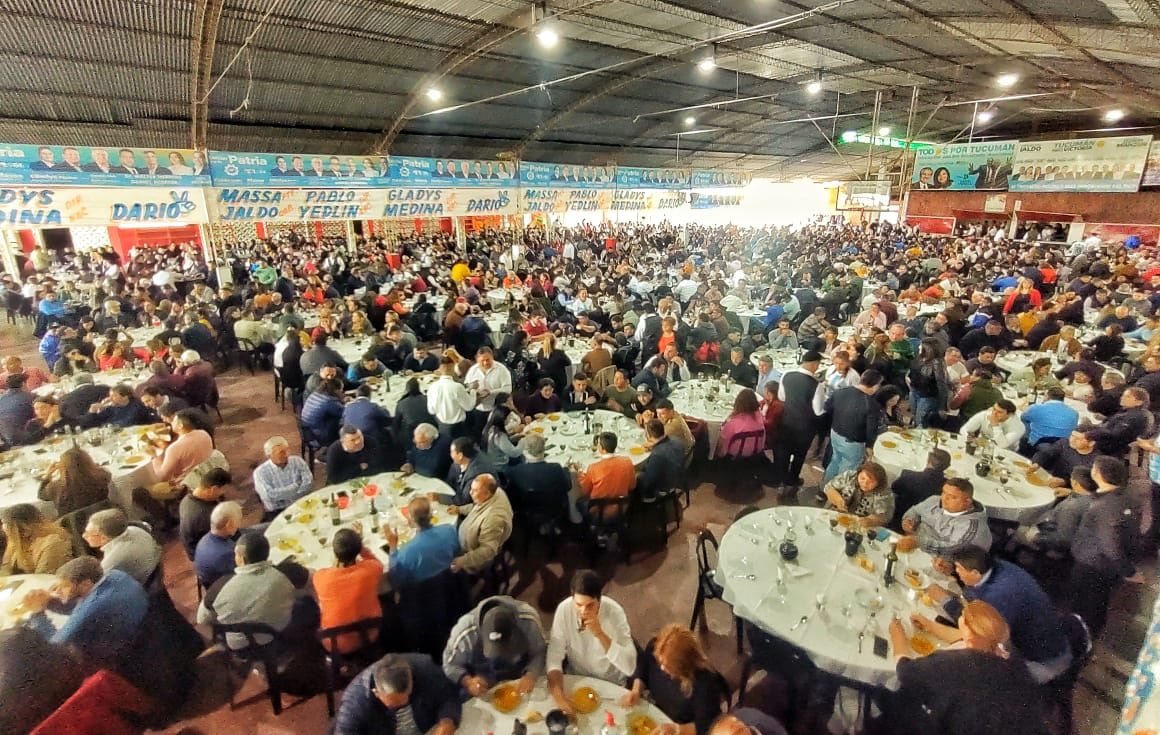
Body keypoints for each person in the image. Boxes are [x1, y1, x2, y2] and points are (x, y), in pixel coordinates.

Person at [886, 600, 1050, 735]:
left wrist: (898, 636)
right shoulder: (1005, 652)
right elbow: (965, 638)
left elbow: (906, 671)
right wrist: (930, 625)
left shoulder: (958, 664)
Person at [916, 547, 1072, 682]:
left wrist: (945, 600)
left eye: (958, 568)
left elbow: (977, 630)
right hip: (1045, 639)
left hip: (1039, 661)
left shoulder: (999, 595)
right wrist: (954, 574)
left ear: (975, 572)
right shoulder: (997, 567)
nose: (956, 571)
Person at [21, 557, 149, 669]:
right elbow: (81, 605)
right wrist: (50, 602)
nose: (58, 591)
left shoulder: (93, 608)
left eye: (65, 586)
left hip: (117, 661)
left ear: (85, 584)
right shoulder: (115, 576)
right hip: (143, 638)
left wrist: (37, 614)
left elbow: (55, 645)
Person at [547, 570, 638, 714]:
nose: (583, 611)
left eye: (590, 605)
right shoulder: (564, 610)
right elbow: (554, 655)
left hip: (610, 685)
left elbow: (629, 667)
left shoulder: (615, 613)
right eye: (578, 605)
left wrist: (600, 634)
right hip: (578, 679)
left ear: (599, 599)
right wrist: (559, 698)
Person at [1068, 455, 1139, 637]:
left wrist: (1129, 572)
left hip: (1092, 565)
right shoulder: (1128, 498)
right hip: (1106, 567)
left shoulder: (1103, 507)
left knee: (1085, 606)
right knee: (1096, 603)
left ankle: (1081, 639)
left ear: (1097, 474)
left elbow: (1110, 544)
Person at [623, 624, 730, 735]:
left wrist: (676, 729)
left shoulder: (706, 686)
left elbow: (705, 726)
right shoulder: (655, 647)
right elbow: (644, 667)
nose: (662, 668)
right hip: (657, 714)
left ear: (685, 666)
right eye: (660, 662)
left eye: (669, 666)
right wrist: (636, 690)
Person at [197, 533, 296, 649]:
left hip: (241, 645)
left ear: (241, 559)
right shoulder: (284, 573)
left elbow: (201, 620)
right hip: (280, 633)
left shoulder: (220, 587)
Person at [443, 595, 547, 698]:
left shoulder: (528, 620)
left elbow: (540, 650)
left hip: (518, 673)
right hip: (483, 678)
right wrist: (468, 681)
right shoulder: (465, 633)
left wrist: (531, 674)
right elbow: (450, 665)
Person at [333, 653, 461, 735]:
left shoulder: (425, 669)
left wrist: (447, 720)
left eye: (408, 697)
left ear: (411, 678)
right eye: (394, 705)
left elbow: (448, 695)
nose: (403, 705)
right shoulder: (355, 703)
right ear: (376, 693)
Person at [315, 526, 384, 653]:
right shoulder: (371, 569)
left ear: (335, 552)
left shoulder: (321, 577)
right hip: (370, 633)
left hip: (334, 642)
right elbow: (377, 563)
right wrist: (360, 546)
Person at [898, 478, 992, 570]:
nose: (944, 499)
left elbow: (954, 548)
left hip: (938, 564)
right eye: (943, 492)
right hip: (910, 547)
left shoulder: (973, 526)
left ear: (967, 501)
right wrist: (908, 520)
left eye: (952, 497)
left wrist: (919, 542)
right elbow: (915, 511)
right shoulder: (934, 500)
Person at [775, 351, 825, 488]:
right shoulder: (816, 385)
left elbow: (782, 397)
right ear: (815, 364)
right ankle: (792, 479)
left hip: (787, 420)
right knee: (799, 454)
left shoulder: (787, 375)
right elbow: (818, 410)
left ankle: (781, 477)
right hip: (805, 426)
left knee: (784, 451)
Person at [385, 497, 460, 589]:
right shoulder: (449, 530)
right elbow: (456, 554)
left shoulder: (407, 552)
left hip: (421, 595)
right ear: (431, 514)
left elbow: (395, 580)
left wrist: (393, 548)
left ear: (410, 519)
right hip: (451, 585)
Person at [449, 474, 513, 574]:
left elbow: (488, 550)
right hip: (468, 541)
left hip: (473, 558)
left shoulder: (493, 519)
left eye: (474, 491)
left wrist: (462, 561)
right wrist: (459, 509)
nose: (470, 493)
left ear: (487, 494)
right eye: (471, 489)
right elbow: (477, 505)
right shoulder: (494, 492)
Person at [82, 508, 161, 585]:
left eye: (88, 533)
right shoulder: (134, 529)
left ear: (103, 538)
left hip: (148, 585)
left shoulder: (112, 561)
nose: (83, 536)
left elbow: (96, 586)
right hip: (155, 567)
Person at [0, 503, 73, 576]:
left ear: (24, 530)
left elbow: (43, 576)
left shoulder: (53, 543)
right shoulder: (16, 542)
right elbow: (6, 569)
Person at [253, 435, 314, 520]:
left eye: (287, 450)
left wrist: (283, 495)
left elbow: (309, 485)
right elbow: (269, 496)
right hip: (278, 512)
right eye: (281, 452)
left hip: (303, 504)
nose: (287, 454)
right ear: (269, 455)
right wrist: (296, 486)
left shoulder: (298, 461)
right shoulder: (260, 473)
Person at [37, 446, 112, 515]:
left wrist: (47, 476)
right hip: (102, 516)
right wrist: (93, 466)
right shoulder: (101, 477)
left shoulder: (55, 487)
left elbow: (41, 494)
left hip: (73, 525)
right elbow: (104, 472)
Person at [576, 432, 636, 515]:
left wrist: (579, 473)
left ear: (600, 448)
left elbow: (584, 492)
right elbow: (632, 486)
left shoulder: (593, 468)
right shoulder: (627, 462)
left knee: (578, 501)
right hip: (622, 508)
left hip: (598, 511)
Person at [890, 449, 950, 528]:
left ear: (928, 462)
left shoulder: (908, 476)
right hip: (926, 527)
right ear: (947, 466)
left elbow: (893, 489)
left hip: (897, 520)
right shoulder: (948, 488)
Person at [822, 461, 894, 528]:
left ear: (878, 484)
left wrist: (871, 521)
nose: (865, 484)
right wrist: (838, 501)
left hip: (859, 525)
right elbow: (828, 488)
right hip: (834, 515)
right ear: (859, 473)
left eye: (871, 482)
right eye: (862, 478)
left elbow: (885, 517)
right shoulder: (850, 476)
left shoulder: (884, 493)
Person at [194, 500, 242, 589]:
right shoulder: (226, 554)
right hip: (225, 589)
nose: (239, 524)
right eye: (239, 520)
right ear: (229, 525)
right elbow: (243, 574)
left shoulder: (205, 539)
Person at [1031, 426, 1098, 486]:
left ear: (1091, 443)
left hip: (1069, 490)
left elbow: (1086, 484)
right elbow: (1046, 453)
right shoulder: (1064, 443)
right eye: (1072, 435)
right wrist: (1037, 463)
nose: (1072, 440)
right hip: (1051, 477)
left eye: (1078, 439)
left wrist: (1064, 482)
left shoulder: (1096, 461)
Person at [1019, 386, 1078, 452]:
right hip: (1062, 448)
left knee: (1023, 427)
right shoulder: (1074, 413)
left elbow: (1022, 418)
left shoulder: (1036, 408)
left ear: (1047, 397)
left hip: (1037, 445)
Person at [427, 357, 475, 438]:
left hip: (442, 427)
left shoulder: (432, 387)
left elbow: (432, 411)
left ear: (439, 369)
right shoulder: (457, 387)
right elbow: (469, 407)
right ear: (453, 368)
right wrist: (473, 392)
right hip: (458, 428)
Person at [716, 388, 765, 458]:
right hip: (755, 458)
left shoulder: (733, 423)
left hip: (734, 460)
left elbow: (722, 449)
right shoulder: (760, 420)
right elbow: (762, 444)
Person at [958, 398, 1024, 450]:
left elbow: (1002, 445)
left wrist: (995, 425)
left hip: (1005, 454)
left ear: (1010, 414)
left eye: (999, 412)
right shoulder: (985, 414)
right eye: (994, 409)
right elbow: (963, 429)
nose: (994, 413)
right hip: (981, 447)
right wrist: (968, 437)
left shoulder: (1018, 427)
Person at [300, 378, 346, 447]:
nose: (342, 391)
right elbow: (344, 412)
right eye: (341, 389)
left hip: (307, 430)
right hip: (317, 435)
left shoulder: (315, 394)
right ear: (336, 391)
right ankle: (339, 447)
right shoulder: (329, 402)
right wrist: (347, 402)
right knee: (342, 422)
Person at [0, 373, 34, 446]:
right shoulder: (27, 397)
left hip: (4, 437)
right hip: (22, 436)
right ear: (23, 384)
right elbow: (34, 414)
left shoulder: (1, 398)